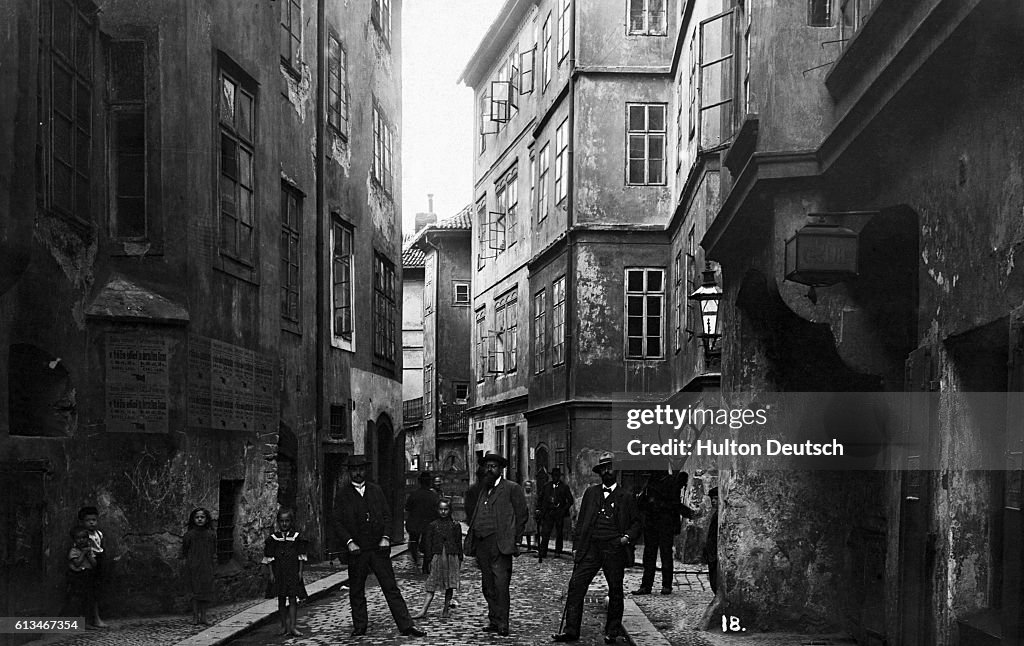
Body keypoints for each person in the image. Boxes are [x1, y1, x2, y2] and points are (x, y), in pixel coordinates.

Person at [552, 451, 641, 644]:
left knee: (615, 590)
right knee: (575, 586)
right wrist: (577, 546)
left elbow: (636, 523)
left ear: (616, 471)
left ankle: (612, 631)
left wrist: (625, 538)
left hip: (614, 548)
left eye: (610, 467)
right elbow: (581, 521)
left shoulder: (626, 496)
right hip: (591, 548)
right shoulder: (591, 493)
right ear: (600, 473)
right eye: (603, 469)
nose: (607, 471)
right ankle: (571, 630)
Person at [334, 455, 426, 638]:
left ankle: (406, 625)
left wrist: (385, 537)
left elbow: (387, 516)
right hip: (357, 550)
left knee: (391, 587)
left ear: (365, 470)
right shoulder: (343, 495)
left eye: (361, 469)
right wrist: (349, 542)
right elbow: (337, 522)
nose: (358, 473)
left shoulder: (376, 491)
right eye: (354, 469)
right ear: (349, 472)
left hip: (378, 548)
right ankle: (360, 626)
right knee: (357, 590)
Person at [468, 451, 528, 636]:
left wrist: (515, 539)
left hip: (500, 544)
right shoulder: (483, 489)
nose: (489, 469)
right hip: (482, 544)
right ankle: (494, 620)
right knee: (488, 586)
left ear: (501, 469)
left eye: (493, 466)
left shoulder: (511, 488)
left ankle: (503, 623)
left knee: (501, 585)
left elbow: (522, 515)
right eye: (487, 466)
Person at [632, 468, 693, 595]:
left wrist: (685, 512)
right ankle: (646, 586)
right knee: (649, 555)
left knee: (665, 554)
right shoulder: (651, 481)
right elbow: (642, 502)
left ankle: (666, 585)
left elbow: (674, 503)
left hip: (665, 523)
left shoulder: (671, 482)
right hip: (652, 523)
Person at [411, 499, 463, 619]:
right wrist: (428, 560)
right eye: (441, 509)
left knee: (450, 584)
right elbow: (428, 544)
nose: (443, 512)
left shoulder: (455, 525)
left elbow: (458, 543)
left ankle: (445, 608)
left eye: (446, 509)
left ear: (450, 510)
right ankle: (424, 610)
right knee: (432, 583)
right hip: (438, 556)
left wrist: (460, 557)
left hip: (451, 556)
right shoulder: (433, 525)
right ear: (437, 510)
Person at [263, 508, 308, 636]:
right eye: (282, 521)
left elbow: (301, 556)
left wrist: (300, 572)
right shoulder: (273, 539)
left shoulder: (296, 537)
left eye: (287, 521)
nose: (284, 524)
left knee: (293, 598)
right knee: (281, 598)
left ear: (291, 522)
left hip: (292, 571)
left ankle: (293, 626)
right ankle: (283, 625)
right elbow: (269, 558)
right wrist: (271, 573)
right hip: (279, 572)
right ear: (278, 522)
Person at [181, 508, 216, 625]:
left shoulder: (211, 535)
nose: (200, 519)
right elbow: (185, 551)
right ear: (193, 519)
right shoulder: (189, 535)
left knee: (205, 591)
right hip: (193, 566)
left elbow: (213, 550)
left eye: (202, 517)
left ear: (206, 519)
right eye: (197, 517)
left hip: (207, 566)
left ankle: (204, 616)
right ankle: (195, 616)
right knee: (195, 592)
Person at [77, 506, 108, 627]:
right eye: (88, 520)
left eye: (94, 520)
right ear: (82, 522)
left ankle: (95, 618)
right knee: (86, 592)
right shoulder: (82, 537)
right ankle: (85, 620)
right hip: (87, 564)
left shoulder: (99, 534)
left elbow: (101, 547)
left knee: (96, 592)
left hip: (98, 563)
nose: (91, 523)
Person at [537, 467, 574, 561]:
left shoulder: (564, 487)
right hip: (549, 512)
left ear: (559, 477)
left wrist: (563, 509)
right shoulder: (547, 486)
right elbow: (540, 498)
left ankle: (558, 551)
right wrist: (539, 509)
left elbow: (570, 500)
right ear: (551, 476)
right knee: (545, 532)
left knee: (559, 533)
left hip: (559, 513)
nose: (555, 478)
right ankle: (542, 551)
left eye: (557, 476)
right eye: (554, 476)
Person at [405, 472, 440, 572]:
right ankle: (425, 566)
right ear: (429, 482)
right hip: (428, 524)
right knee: (427, 544)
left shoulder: (414, 495)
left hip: (414, 523)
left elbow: (407, 507)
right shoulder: (433, 496)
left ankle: (415, 560)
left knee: (414, 542)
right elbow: (437, 511)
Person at [65, 526, 99, 628]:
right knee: (79, 599)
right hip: (78, 577)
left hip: (87, 576)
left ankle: (88, 622)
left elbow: (94, 563)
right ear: (75, 540)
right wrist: (83, 553)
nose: (81, 540)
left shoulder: (89, 551)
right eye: (79, 538)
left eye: (84, 538)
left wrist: (88, 554)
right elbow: (77, 563)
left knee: (88, 599)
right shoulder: (74, 551)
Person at [703, 487, 719, 594]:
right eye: (712, 498)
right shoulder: (716, 514)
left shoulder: (719, 515)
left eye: (716, 499)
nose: (713, 501)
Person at [523, 480, 538, 551]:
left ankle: (536, 544)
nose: (528, 487)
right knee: (527, 531)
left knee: (535, 530)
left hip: (532, 515)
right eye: (527, 486)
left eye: (529, 486)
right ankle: (529, 546)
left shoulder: (533, 495)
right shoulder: (523, 496)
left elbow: (535, 504)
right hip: (526, 515)